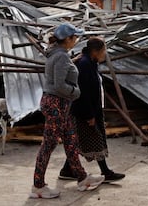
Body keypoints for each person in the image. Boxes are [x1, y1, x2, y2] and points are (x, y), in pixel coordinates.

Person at [31, 23, 104, 199]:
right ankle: (38, 186)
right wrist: (76, 92)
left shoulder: (58, 54)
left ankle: (82, 178)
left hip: (61, 104)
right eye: (75, 37)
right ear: (68, 39)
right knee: (48, 145)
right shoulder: (61, 56)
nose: (77, 40)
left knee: (71, 142)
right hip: (56, 103)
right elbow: (59, 85)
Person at [60, 38, 125, 182]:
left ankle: (66, 169)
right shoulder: (85, 64)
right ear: (95, 51)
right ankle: (106, 172)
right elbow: (84, 92)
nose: (104, 54)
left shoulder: (91, 62)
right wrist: (89, 114)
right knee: (95, 139)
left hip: (91, 109)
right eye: (103, 51)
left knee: (78, 141)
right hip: (84, 111)